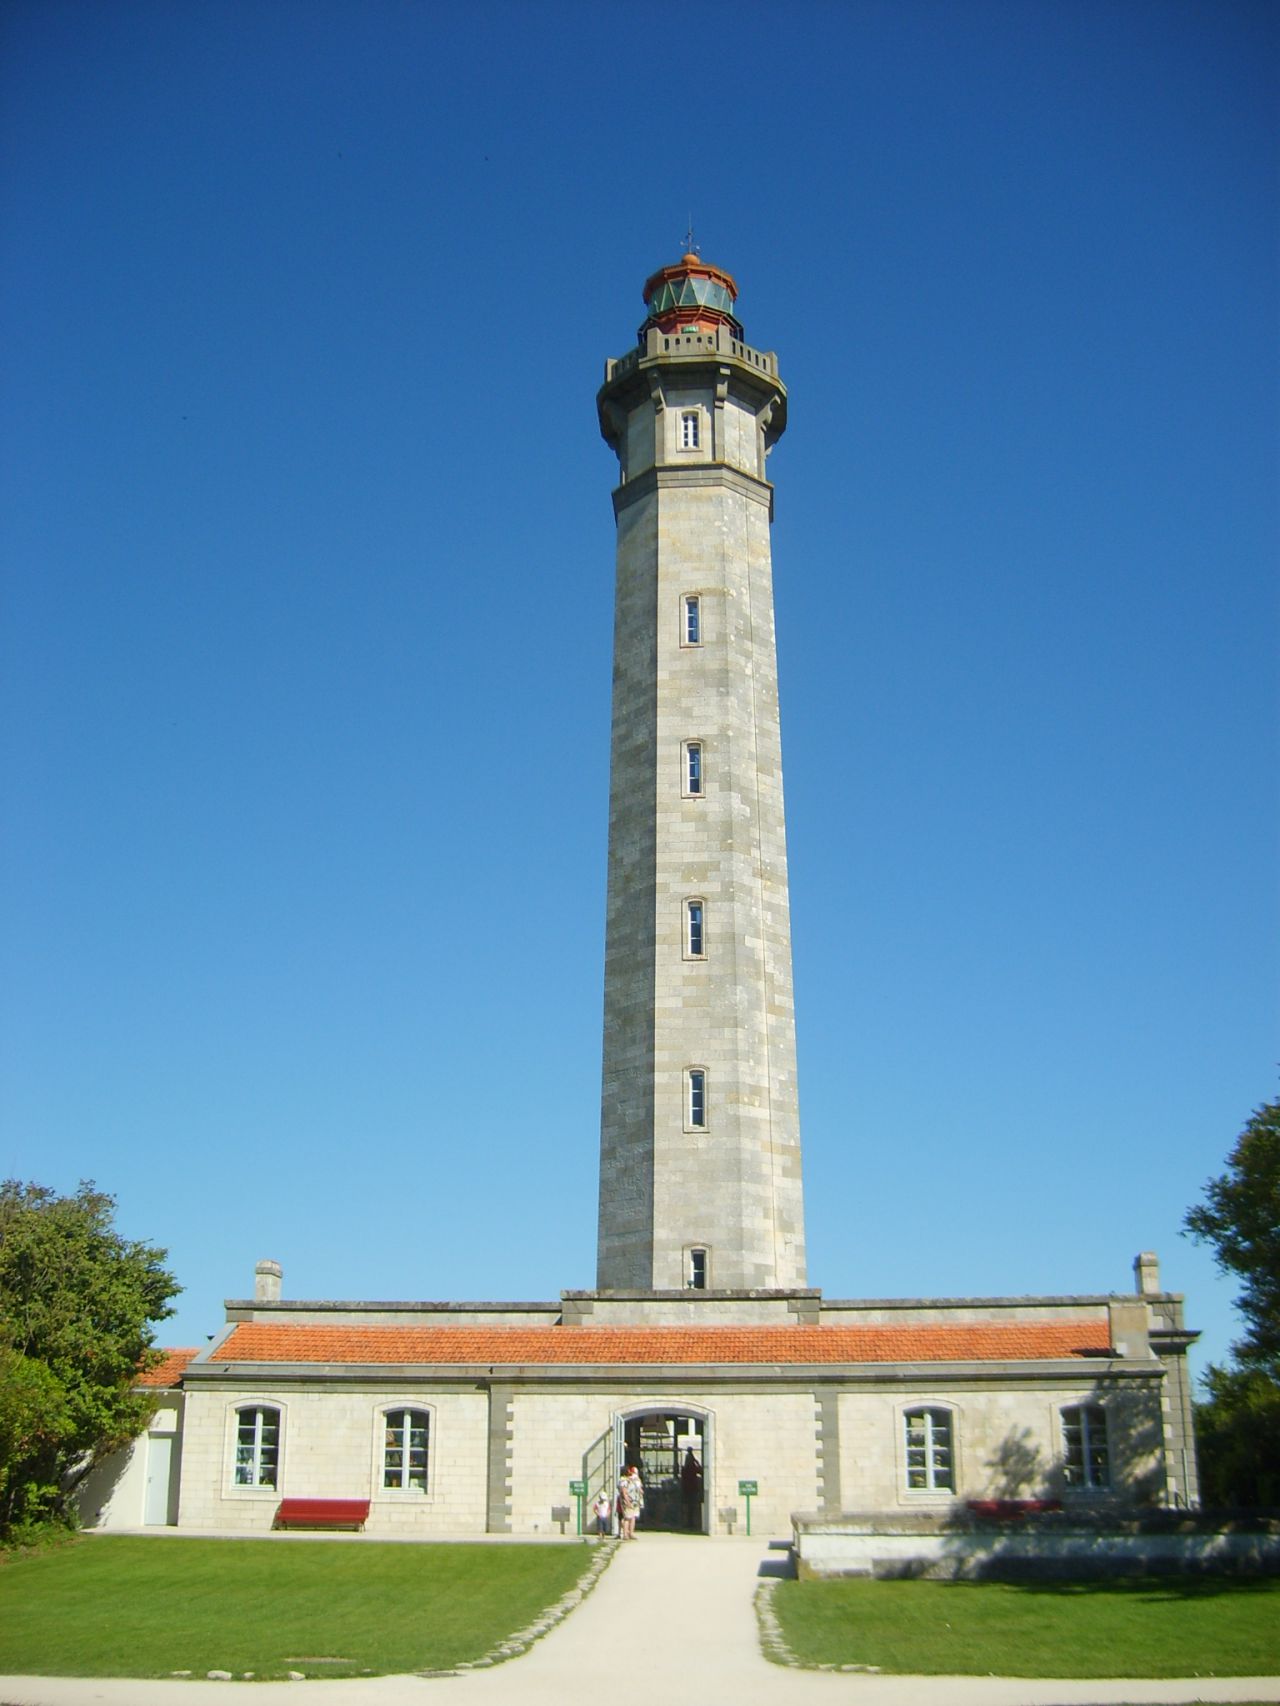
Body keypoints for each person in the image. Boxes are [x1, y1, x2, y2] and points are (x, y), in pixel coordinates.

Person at [617, 1463, 644, 1540]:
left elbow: (640, 1489)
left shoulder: (632, 1480)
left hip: (635, 1501)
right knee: (627, 1518)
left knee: (633, 1517)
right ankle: (625, 1534)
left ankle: (631, 1533)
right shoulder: (623, 1481)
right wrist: (627, 1502)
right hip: (628, 1501)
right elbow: (624, 1492)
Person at [680, 1449, 703, 1530]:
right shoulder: (692, 1468)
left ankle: (688, 1522)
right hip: (692, 1489)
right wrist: (696, 1461)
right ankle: (690, 1522)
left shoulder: (684, 1469)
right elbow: (701, 1471)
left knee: (688, 1507)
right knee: (691, 1507)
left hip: (687, 1489)